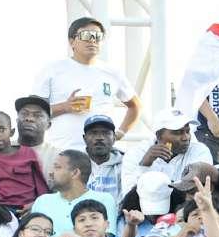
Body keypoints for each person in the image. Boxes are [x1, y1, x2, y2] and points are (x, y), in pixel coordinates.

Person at [33, 17, 142, 150]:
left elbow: (135, 106)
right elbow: (33, 112)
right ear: (72, 41)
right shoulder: (53, 69)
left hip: (101, 154)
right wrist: (65, 107)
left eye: (97, 36)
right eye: (86, 35)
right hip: (61, 152)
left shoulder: (113, 73)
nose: (92, 40)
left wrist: (120, 133)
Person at [121, 107, 214, 193]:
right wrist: (144, 165)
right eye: (178, 133)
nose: (186, 137)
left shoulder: (199, 151)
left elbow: (196, 190)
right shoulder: (135, 153)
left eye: (187, 131)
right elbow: (128, 195)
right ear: (158, 136)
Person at [32, 149, 118, 237]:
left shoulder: (103, 199)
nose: (50, 172)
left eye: (57, 167)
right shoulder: (42, 201)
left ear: (75, 173)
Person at [0, 112, 50, 212]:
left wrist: (37, 205)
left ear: (12, 132)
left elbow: (40, 185)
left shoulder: (28, 153)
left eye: (2, 129)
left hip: (28, 207)